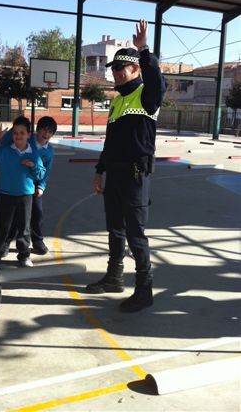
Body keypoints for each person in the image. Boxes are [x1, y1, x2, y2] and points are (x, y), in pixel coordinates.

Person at [85, 19, 166, 313]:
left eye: (121, 68)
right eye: (114, 69)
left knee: (136, 233)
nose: (116, 73)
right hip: (116, 175)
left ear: (135, 69)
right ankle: (114, 278)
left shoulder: (146, 96)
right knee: (115, 229)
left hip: (135, 175)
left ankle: (144, 290)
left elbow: (159, 81)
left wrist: (144, 50)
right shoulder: (118, 102)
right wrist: (99, 170)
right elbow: (111, 142)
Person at [0, 116, 46, 268]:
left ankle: (24, 256)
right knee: (3, 227)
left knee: (24, 228)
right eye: (15, 133)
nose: (18, 136)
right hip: (6, 195)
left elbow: (41, 174)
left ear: (28, 135)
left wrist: (32, 166)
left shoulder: (34, 154)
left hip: (25, 197)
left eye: (22, 133)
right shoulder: (5, 151)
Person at [0, 116, 57, 256]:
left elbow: (46, 171)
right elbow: (7, 142)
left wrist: (41, 187)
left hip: (34, 185)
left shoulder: (49, 151)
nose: (46, 134)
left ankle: (37, 242)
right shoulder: (27, 139)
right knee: (13, 217)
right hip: (19, 183)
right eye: (43, 129)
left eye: (50, 131)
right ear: (36, 130)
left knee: (36, 214)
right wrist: (4, 135)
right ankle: (5, 243)